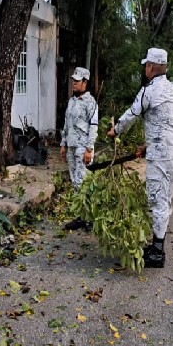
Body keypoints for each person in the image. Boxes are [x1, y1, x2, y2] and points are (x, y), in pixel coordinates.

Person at [106, 48, 173, 268]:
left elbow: (131, 114)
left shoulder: (149, 90)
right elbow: (164, 124)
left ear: (150, 67)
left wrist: (115, 131)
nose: (144, 70)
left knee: (157, 201)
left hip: (160, 157)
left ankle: (157, 253)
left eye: (145, 66)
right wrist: (146, 145)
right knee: (165, 200)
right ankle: (158, 243)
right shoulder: (171, 89)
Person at [60, 67, 99, 230]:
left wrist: (90, 149)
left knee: (83, 182)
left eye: (77, 81)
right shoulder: (72, 101)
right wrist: (63, 144)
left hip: (83, 148)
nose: (74, 84)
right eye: (73, 81)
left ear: (85, 82)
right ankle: (81, 216)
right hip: (71, 146)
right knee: (75, 182)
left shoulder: (90, 103)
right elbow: (66, 124)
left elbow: (94, 126)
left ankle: (89, 217)